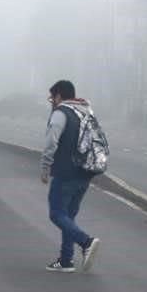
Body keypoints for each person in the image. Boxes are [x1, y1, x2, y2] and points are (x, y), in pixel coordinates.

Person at [40, 79, 101, 273]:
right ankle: (66, 260)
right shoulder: (85, 111)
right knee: (68, 217)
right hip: (85, 172)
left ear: (59, 95)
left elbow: (51, 141)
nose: (51, 101)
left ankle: (86, 242)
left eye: (52, 97)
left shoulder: (61, 113)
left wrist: (45, 166)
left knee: (57, 214)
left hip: (66, 172)